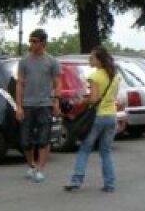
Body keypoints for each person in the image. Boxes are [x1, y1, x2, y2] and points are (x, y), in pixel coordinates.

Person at [63, 46, 121, 193]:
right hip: (112, 116)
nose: (90, 60)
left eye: (92, 58)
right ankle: (110, 184)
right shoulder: (115, 76)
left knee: (84, 148)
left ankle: (76, 180)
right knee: (105, 151)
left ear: (99, 60)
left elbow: (94, 98)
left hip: (99, 116)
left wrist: (82, 101)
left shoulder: (95, 76)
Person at [14, 27, 62, 183]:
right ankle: (31, 165)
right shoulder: (24, 62)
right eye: (30, 41)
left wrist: (56, 102)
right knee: (25, 140)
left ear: (43, 43)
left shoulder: (52, 62)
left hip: (44, 104)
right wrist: (19, 106)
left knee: (43, 139)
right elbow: (20, 84)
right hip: (27, 105)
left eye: (34, 41)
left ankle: (40, 169)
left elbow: (57, 84)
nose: (31, 44)